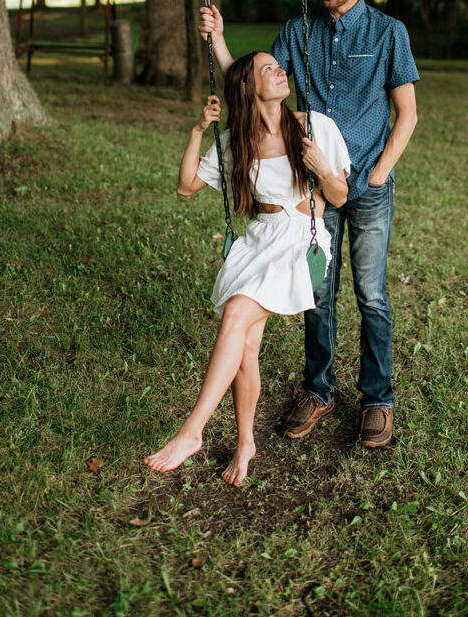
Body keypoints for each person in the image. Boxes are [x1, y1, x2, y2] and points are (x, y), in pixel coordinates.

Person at [199, 0, 419, 449]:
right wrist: (219, 40)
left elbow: (407, 114)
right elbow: (251, 82)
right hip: (312, 194)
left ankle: (377, 400)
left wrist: (379, 173)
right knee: (317, 293)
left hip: (365, 185)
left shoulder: (389, 33)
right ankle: (318, 391)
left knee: (372, 295)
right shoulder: (299, 31)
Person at [144, 51, 350, 485]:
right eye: (268, 69)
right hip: (260, 238)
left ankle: (191, 431)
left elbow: (339, 196)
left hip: (302, 239)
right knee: (245, 352)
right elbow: (186, 187)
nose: (280, 72)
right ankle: (245, 443)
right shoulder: (238, 140)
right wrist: (199, 129)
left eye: (279, 67)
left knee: (237, 314)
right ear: (249, 87)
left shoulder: (315, 127)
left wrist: (322, 169)